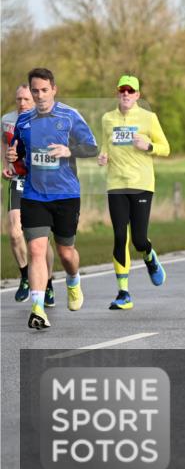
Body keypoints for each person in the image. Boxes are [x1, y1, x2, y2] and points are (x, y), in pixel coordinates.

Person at [7, 67, 98, 329]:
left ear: (54, 89)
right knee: (36, 250)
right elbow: (20, 153)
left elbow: (91, 147)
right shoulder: (23, 121)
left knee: (66, 252)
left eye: (44, 90)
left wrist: (68, 150)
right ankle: (37, 309)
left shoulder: (69, 116)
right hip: (34, 195)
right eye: (34, 90)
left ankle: (72, 280)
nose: (39, 95)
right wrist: (13, 158)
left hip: (66, 194)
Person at [97, 75, 170, 310]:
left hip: (141, 183)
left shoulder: (149, 118)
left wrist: (148, 146)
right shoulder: (107, 119)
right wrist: (103, 155)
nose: (126, 94)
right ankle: (124, 293)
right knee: (120, 236)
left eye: (131, 90)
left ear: (138, 95)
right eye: (122, 90)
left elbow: (165, 148)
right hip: (116, 184)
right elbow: (105, 145)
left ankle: (149, 256)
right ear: (117, 93)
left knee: (138, 240)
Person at [3, 84, 54, 305]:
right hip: (19, 180)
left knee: (40, 238)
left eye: (26, 99)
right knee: (14, 232)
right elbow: (4, 143)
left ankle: (48, 282)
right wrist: (5, 164)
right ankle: (25, 276)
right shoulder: (7, 120)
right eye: (19, 99)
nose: (22, 103)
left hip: (41, 183)